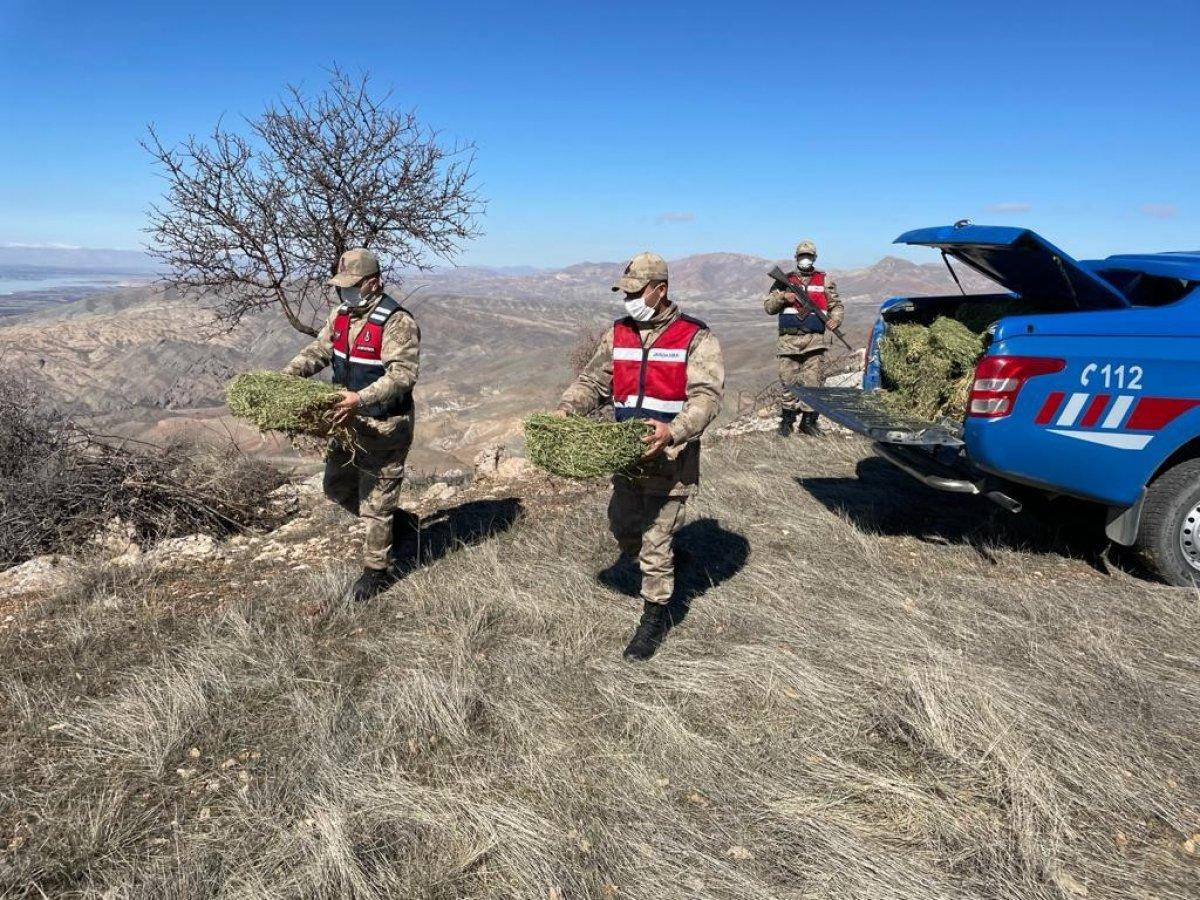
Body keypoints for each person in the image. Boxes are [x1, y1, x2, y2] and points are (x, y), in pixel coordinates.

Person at [555, 252, 724, 660]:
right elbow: (594, 380)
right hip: (627, 456)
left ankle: (655, 616)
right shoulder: (618, 333)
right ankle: (668, 561)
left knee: (654, 538)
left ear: (660, 290)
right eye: (624, 291)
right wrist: (566, 409)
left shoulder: (695, 337)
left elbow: (706, 397)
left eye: (635, 291)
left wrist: (674, 431)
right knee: (623, 526)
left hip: (672, 459)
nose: (627, 299)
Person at [282, 248, 421, 602]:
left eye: (351, 286)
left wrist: (360, 399)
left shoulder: (396, 322)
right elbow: (320, 351)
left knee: (376, 500)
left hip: (385, 425)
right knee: (336, 485)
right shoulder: (341, 315)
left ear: (372, 283)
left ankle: (377, 571)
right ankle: (397, 522)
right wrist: (288, 377)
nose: (344, 293)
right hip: (348, 424)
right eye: (341, 287)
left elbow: (403, 376)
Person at [765, 239, 844, 436]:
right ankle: (786, 422)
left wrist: (835, 320)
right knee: (788, 383)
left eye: (809, 256)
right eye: (802, 256)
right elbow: (768, 308)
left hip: (814, 341)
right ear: (796, 258)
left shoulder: (824, 280)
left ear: (814, 258)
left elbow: (836, 305)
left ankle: (809, 422)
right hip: (788, 342)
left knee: (813, 383)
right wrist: (784, 297)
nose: (805, 259)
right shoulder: (784, 281)